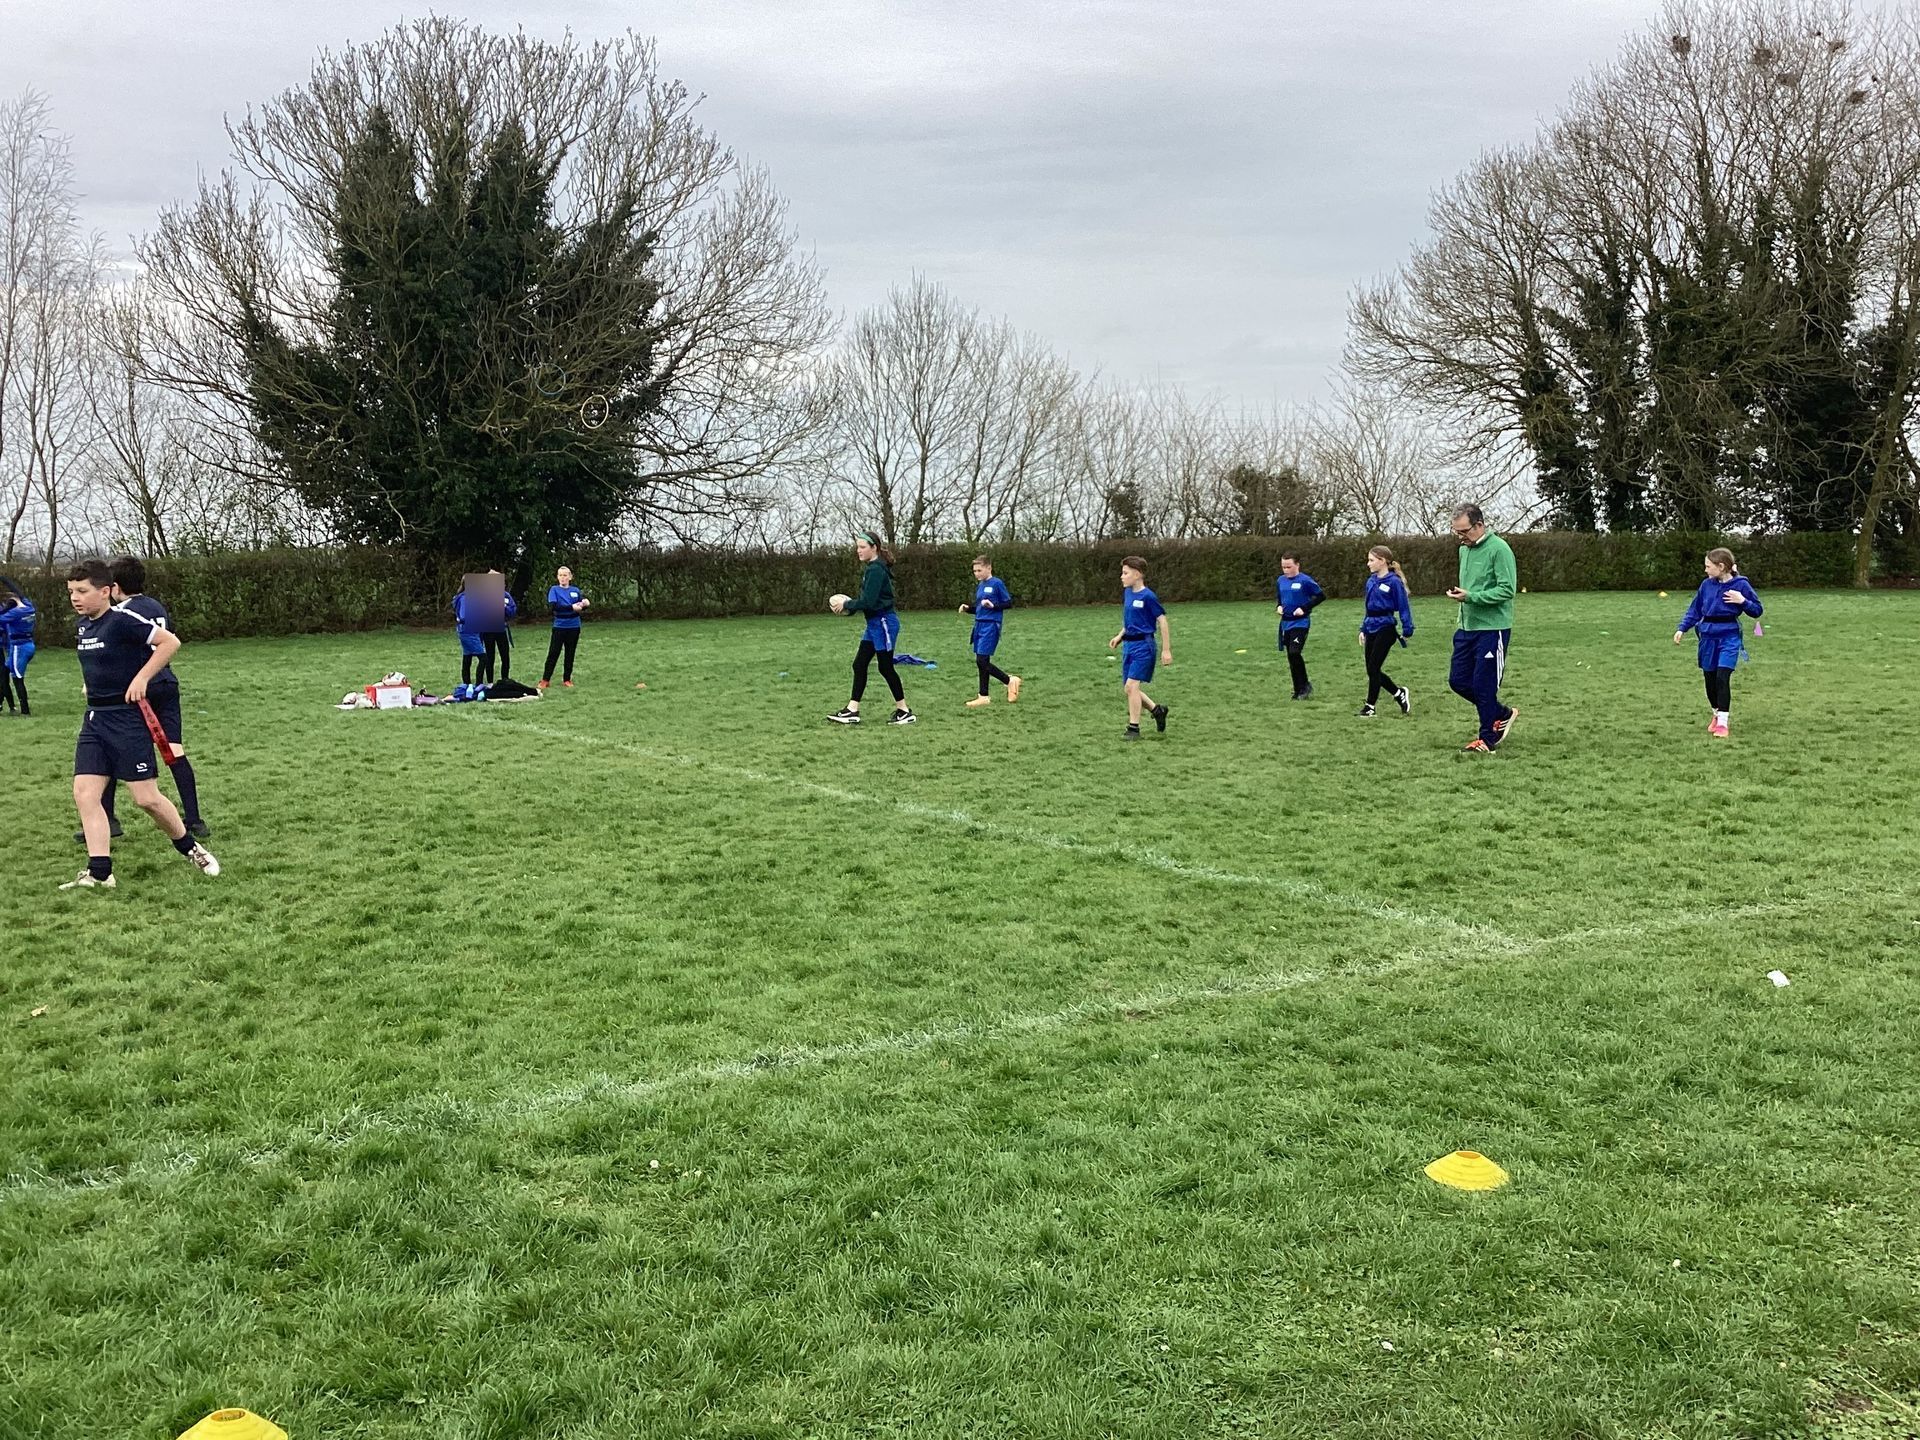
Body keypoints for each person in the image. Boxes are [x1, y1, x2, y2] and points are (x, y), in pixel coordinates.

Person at [60, 559, 219, 889]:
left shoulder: (122, 621)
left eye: (82, 591)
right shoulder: (84, 626)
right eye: (72, 591)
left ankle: (191, 848)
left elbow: (170, 642)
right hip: (95, 720)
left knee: (146, 799)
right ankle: (100, 872)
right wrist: (92, 683)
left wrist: (142, 678)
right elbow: (103, 661)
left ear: (106, 591)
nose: (75, 597)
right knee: (85, 794)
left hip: (126, 720)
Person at [80, 556, 208, 842]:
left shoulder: (118, 614)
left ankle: (108, 819)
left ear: (113, 588)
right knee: (173, 750)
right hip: (166, 682)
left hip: (138, 688)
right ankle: (195, 819)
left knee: (110, 749)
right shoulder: (155, 606)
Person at [1445, 504, 1518, 753]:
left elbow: (1507, 590)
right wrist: (1462, 596)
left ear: (1479, 525)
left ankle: (1487, 740)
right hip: (1466, 627)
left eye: (1464, 531)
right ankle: (1501, 713)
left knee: (1483, 686)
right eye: (1456, 532)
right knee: (1457, 681)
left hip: (1492, 628)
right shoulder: (1463, 550)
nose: (1460, 537)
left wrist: (1472, 597)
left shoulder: (1499, 549)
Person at [1673, 546, 1763, 738]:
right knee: (1710, 679)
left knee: (1723, 676)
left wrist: (1742, 601)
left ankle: (1723, 724)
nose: (1705, 570)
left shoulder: (1741, 585)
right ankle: (1716, 713)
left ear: (1721, 566)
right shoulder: (1706, 585)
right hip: (1707, 636)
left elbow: (1757, 610)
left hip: (1729, 636)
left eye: (1708, 566)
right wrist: (1682, 628)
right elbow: (1695, 610)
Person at [828, 531, 915, 725]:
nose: (858, 551)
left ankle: (904, 711)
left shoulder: (875, 569)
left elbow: (869, 602)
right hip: (874, 623)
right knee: (859, 664)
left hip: (884, 623)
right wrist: (851, 606)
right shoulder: (873, 568)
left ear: (874, 548)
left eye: (862, 547)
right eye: (857, 547)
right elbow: (868, 602)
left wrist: (846, 605)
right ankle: (852, 710)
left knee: (885, 667)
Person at [1108, 555, 1171, 740]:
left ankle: (1134, 729)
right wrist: (1120, 636)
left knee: (1132, 686)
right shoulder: (1128, 593)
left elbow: (1162, 621)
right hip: (1129, 645)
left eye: (1125, 573)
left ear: (1137, 574)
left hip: (1144, 646)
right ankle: (1157, 710)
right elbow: (1131, 621)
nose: (1122, 576)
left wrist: (1166, 650)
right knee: (1129, 689)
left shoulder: (1148, 596)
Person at [1356, 546, 1414, 717]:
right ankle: (1398, 693)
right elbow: (1368, 608)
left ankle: (1370, 707)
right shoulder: (1371, 581)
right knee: (1371, 669)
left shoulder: (1394, 582)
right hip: (1371, 626)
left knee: (1374, 667)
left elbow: (1403, 606)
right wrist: (1363, 628)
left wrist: (1407, 628)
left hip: (1386, 627)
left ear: (1382, 561)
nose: (1368, 564)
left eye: (1371, 560)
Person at [959, 554, 1021, 708]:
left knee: (981, 661)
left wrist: (994, 606)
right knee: (982, 662)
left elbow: (1008, 603)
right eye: (974, 571)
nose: (976, 574)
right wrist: (968, 609)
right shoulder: (981, 586)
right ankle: (983, 696)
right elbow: (980, 608)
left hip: (991, 625)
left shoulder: (997, 583)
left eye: (979, 570)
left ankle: (1009, 680)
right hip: (979, 625)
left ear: (989, 568)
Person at [1274, 553, 1324, 700]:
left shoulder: (1305, 581)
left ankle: (1305, 685)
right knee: (1291, 656)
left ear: (1297, 565)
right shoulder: (1281, 580)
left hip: (1301, 623)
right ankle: (1298, 689)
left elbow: (1321, 596)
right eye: (1283, 567)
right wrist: (1279, 607)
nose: (1286, 570)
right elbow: (1280, 598)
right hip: (1286, 623)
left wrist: (1304, 608)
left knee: (1295, 652)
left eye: (1289, 567)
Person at [541, 565, 590, 691]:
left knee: (570, 653)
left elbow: (580, 605)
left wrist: (585, 604)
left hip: (574, 626)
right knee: (554, 652)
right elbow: (554, 606)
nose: (563, 578)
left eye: (565, 575)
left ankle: (567, 679)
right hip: (560, 626)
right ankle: (545, 680)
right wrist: (571, 607)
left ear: (570, 577)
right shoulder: (554, 590)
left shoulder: (575, 590)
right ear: (557, 577)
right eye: (560, 575)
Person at [0, 577, 34, 716]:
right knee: (4, 672)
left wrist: (4, 610)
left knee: (17, 678)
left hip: (18, 648)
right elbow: (17, 591)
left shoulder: (15, 613)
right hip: (29, 644)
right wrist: (4, 579)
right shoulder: (28, 606)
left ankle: (25, 710)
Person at [478, 571, 517, 683]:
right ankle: (490, 682)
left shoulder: (505, 595)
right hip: (487, 630)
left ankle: (505, 679)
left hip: (501, 629)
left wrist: (504, 607)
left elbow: (512, 611)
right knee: (489, 656)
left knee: (505, 655)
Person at [453, 581, 487, 687]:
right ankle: (478, 684)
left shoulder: (464, 597)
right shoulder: (465, 598)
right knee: (483, 658)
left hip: (466, 631)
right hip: (469, 632)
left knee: (467, 656)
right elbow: (463, 616)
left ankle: (467, 684)